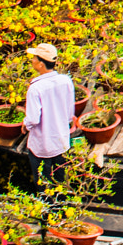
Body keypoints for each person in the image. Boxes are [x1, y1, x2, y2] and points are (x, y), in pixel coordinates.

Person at [22, 43, 76, 183]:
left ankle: (45, 204)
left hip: (42, 145)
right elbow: (70, 113)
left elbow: (33, 119)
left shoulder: (35, 88)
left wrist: (25, 124)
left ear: (41, 64)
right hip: (61, 141)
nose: (32, 60)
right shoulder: (65, 81)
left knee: (43, 183)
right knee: (62, 181)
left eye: (34, 58)